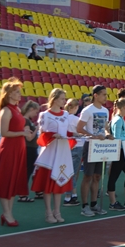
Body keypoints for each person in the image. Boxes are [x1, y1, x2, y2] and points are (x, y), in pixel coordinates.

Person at [0, 78, 32, 227]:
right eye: (17, 92)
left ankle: (8, 213)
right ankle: (7, 214)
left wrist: (24, 132)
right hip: (9, 150)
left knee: (13, 181)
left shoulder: (17, 109)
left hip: (18, 149)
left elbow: (17, 129)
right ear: (10, 94)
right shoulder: (6, 110)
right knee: (6, 181)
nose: (20, 95)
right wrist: (22, 133)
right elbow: (4, 132)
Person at [31, 88, 75, 223]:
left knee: (59, 183)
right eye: (62, 98)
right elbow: (42, 135)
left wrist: (73, 135)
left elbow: (67, 132)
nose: (64, 101)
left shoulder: (66, 114)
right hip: (50, 152)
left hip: (63, 151)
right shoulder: (45, 115)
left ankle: (57, 211)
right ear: (54, 99)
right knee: (48, 184)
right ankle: (48, 213)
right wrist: (52, 135)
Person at [76, 85, 112, 217]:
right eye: (103, 94)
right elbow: (79, 128)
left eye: (106, 94)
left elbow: (106, 127)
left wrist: (108, 134)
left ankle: (93, 203)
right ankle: (84, 206)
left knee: (97, 176)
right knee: (88, 176)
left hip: (101, 147)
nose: (105, 97)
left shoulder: (106, 110)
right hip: (90, 146)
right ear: (95, 95)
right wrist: (93, 136)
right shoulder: (87, 110)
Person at [106, 98, 125, 211]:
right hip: (120, 151)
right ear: (123, 107)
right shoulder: (118, 120)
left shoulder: (120, 119)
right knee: (114, 176)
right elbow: (117, 138)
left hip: (124, 151)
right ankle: (113, 202)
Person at [18, 100, 40, 203]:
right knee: (27, 171)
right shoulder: (26, 120)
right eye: (35, 112)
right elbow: (29, 138)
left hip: (31, 148)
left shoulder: (27, 120)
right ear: (31, 109)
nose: (36, 114)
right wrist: (37, 129)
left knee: (31, 171)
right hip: (29, 148)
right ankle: (22, 194)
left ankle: (35, 191)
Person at [63, 99, 84, 207]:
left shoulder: (63, 118)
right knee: (73, 173)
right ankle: (70, 196)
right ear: (75, 108)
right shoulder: (76, 119)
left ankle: (71, 195)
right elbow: (82, 131)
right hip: (77, 145)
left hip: (66, 146)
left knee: (68, 171)